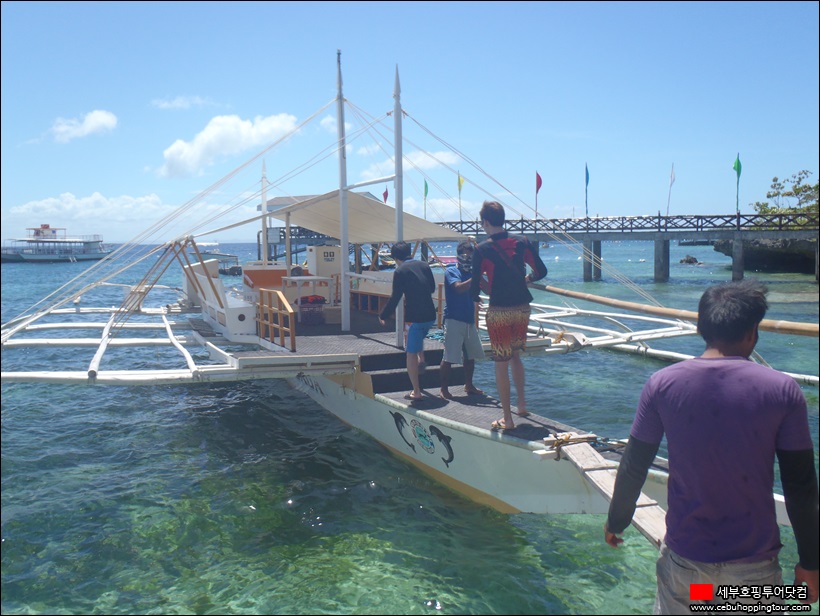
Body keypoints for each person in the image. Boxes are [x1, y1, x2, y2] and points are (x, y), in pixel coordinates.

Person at [604, 279, 818, 614]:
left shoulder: (661, 384)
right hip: (752, 572)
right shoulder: (783, 391)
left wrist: (617, 520)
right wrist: (810, 561)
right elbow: (801, 486)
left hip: (686, 565)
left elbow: (634, 464)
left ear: (702, 328)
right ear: (752, 333)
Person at [469, 200, 548, 430]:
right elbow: (541, 270)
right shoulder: (522, 242)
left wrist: (480, 294)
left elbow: (475, 287)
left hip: (500, 312)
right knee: (515, 356)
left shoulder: (481, 249)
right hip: (522, 308)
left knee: (501, 362)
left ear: (485, 222)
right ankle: (522, 405)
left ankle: (508, 418)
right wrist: (527, 279)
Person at [378, 241, 437, 402]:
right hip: (431, 316)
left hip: (414, 318)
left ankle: (416, 391)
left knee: (410, 353)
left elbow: (395, 297)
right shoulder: (425, 266)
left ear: (395, 257)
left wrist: (383, 315)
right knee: (417, 338)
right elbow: (432, 288)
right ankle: (422, 360)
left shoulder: (400, 271)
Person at [439, 240, 485, 399]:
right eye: (466, 255)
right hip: (453, 319)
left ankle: (469, 385)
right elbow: (458, 288)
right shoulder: (452, 271)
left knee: (470, 355)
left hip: (469, 319)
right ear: (459, 256)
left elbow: (486, 288)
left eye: (471, 256)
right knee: (449, 356)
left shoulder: (473, 273)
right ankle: (444, 389)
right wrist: (476, 276)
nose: (468, 259)